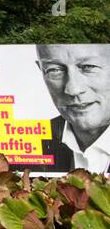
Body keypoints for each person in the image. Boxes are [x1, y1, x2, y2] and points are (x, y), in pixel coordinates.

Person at [36, 44, 110, 174]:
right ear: (41, 70)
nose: (73, 89)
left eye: (89, 67)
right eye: (55, 70)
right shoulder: (28, 148)